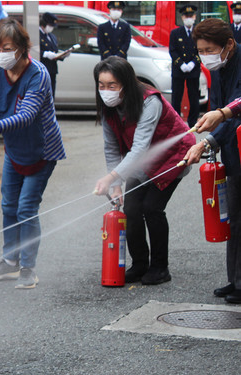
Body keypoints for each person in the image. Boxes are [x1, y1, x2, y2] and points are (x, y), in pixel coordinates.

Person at [0, 17, 65, 289]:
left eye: (7, 48)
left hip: (42, 150)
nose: (0, 55)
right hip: (14, 148)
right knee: (8, 206)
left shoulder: (38, 74)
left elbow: (27, 115)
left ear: (23, 47)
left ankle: (28, 268)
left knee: (26, 208)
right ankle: (9, 262)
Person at [92, 56, 194, 285]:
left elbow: (139, 148)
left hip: (173, 157)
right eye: (101, 85)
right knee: (131, 209)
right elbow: (111, 147)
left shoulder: (150, 101)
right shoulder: (108, 108)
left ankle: (160, 267)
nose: (106, 91)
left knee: (152, 207)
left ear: (126, 84)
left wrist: (111, 177)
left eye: (112, 86)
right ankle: (139, 265)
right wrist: (116, 185)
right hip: (142, 162)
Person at [183, 18, 241, 304]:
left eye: (209, 49)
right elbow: (218, 110)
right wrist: (207, 136)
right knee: (235, 219)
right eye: (200, 51)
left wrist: (209, 141)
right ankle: (235, 280)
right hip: (234, 153)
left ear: (229, 44)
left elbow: (232, 112)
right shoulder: (218, 68)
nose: (205, 56)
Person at [169, 4, 201, 127]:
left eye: (191, 15)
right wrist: (181, 64)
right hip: (179, 69)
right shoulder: (176, 33)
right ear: (182, 17)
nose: (189, 18)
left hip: (193, 69)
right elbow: (172, 50)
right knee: (177, 97)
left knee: (194, 97)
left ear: (194, 17)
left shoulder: (198, 32)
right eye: (186, 16)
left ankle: (193, 122)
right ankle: (176, 122)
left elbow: (201, 50)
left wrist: (194, 62)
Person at [39, 12, 68, 98]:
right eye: (50, 25)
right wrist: (44, 54)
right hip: (42, 69)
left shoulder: (52, 36)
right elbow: (31, 50)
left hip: (52, 70)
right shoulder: (36, 34)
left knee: (51, 95)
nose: (51, 28)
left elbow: (54, 51)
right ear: (43, 24)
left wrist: (62, 55)